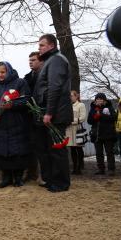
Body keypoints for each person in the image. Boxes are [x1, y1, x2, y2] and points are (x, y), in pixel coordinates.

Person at [32, 33, 73, 192]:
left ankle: (61, 182)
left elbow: (54, 87)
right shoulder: (50, 60)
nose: (39, 48)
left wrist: (49, 113)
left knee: (57, 149)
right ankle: (51, 180)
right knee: (48, 149)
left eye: (42, 45)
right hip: (51, 112)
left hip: (56, 114)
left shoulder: (56, 60)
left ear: (51, 46)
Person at [0, 61, 30, 188]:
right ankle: (6, 177)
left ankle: (18, 178)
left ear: (9, 71)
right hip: (0, 125)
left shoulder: (20, 83)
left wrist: (13, 105)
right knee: (2, 153)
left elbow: (26, 100)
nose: (0, 75)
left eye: (3, 72)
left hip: (17, 122)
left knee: (17, 152)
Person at [23, 51, 44, 182]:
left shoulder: (45, 76)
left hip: (42, 114)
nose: (31, 62)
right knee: (30, 145)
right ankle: (30, 173)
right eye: (29, 60)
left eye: (34, 60)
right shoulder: (26, 78)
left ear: (41, 61)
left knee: (42, 147)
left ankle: (43, 174)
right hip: (29, 116)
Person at [88, 93, 117, 175]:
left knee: (109, 152)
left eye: (101, 99)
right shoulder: (93, 108)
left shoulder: (110, 107)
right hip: (96, 134)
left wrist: (101, 114)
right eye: (97, 99)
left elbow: (114, 118)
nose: (99, 100)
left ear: (104, 100)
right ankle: (101, 169)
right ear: (95, 100)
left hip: (108, 134)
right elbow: (89, 121)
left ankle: (111, 169)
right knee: (98, 153)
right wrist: (95, 116)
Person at [66, 91, 87, 175]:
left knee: (79, 148)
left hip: (77, 129)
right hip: (69, 129)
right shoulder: (68, 105)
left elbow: (82, 118)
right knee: (72, 149)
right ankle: (75, 168)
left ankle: (80, 167)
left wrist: (71, 121)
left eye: (71, 96)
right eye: (69, 96)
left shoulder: (81, 105)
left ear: (76, 96)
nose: (70, 97)